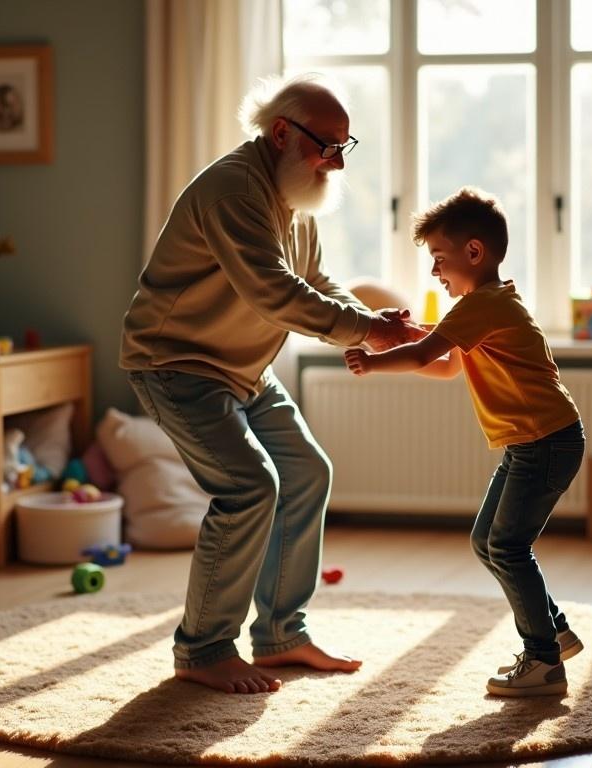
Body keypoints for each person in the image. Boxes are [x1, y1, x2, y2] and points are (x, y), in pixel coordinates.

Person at [120, 73, 419, 695]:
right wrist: (363, 331)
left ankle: (281, 636)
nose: (335, 162)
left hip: (243, 370)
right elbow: (274, 293)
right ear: (282, 132)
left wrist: (370, 324)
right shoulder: (234, 188)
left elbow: (316, 281)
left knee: (306, 471)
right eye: (326, 146)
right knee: (249, 487)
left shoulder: (297, 195)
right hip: (176, 365)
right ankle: (202, 648)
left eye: (344, 147)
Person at [344, 187, 586, 697]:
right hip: (534, 443)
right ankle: (554, 630)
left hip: (546, 441)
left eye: (439, 259)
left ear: (473, 253)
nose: (435, 273)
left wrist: (374, 360)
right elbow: (448, 365)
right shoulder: (486, 306)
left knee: (507, 545)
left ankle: (543, 660)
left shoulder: (483, 306)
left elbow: (420, 354)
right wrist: (411, 344)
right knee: (487, 541)